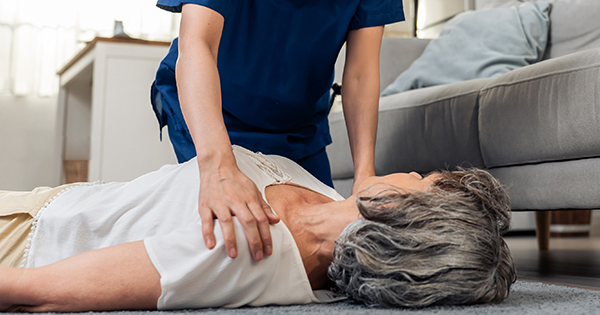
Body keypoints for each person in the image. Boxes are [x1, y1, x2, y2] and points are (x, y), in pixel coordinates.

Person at [0, 146, 516, 311]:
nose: (410, 170)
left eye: (422, 179)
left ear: (400, 209)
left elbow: (36, 292)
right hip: (47, 201)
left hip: (23, 239)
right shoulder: (324, 193)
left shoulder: (249, 249)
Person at [150, 0, 405, 262]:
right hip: (216, 113)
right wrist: (217, 166)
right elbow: (197, 44)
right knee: (237, 245)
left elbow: (361, 73)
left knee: (327, 247)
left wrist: (364, 175)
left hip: (298, 127)